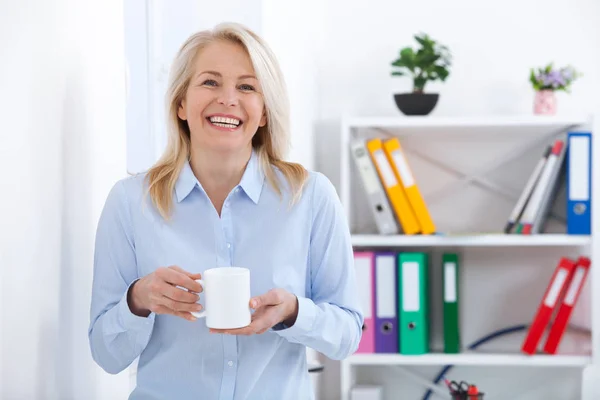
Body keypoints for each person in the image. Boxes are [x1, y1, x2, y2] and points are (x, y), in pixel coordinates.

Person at [88, 21, 363, 400]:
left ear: (264, 111)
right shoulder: (130, 202)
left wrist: (294, 312)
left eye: (247, 87)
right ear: (181, 103)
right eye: (210, 82)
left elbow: (348, 335)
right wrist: (137, 300)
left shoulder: (311, 196)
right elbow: (106, 353)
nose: (228, 99)